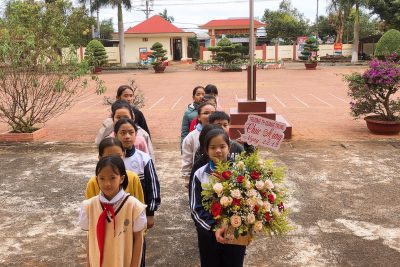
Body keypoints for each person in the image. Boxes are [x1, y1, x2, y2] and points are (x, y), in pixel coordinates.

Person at [189, 128, 246, 267]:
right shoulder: (199, 174)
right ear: (206, 150)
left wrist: (245, 227)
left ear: (229, 147)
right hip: (208, 235)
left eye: (222, 146)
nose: (218, 151)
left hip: (235, 233)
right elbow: (196, 209)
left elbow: (248, 202)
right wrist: (214, 228)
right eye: (213, 147)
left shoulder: (240, 172)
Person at [79, 156, 147, 267]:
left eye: (112, 178)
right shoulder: (88, 207)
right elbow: (90, 239)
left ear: (122, 178)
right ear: (96, 179)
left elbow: (138, 240)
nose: (107, 183)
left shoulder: (134, 207)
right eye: (102, 178)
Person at [114, 118, 160, 267]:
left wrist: (150, 213)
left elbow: (152, 187)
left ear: (136, 135)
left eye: (130, 132)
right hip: (114, 217)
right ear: (115, 135)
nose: (127, 136)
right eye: (123, 132)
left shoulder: (143, 158)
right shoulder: (110, 161)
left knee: (137, 251)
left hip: (136, 216)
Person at [85, 137, 144, 204]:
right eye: (109, 157)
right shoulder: (93, 182)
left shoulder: (133, 178)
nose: (114, 160)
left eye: (118, 156)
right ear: (100, 158)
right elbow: (89, 209)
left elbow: (139, 206)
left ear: (124, 155)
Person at [181, 102, 216, 186]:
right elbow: (187, 161)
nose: (210, 116)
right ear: (199, 117)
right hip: (199, 180)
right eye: (206, 113)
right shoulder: (191, 138)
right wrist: (187, 180)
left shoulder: (222, 134)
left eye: (213, 113)